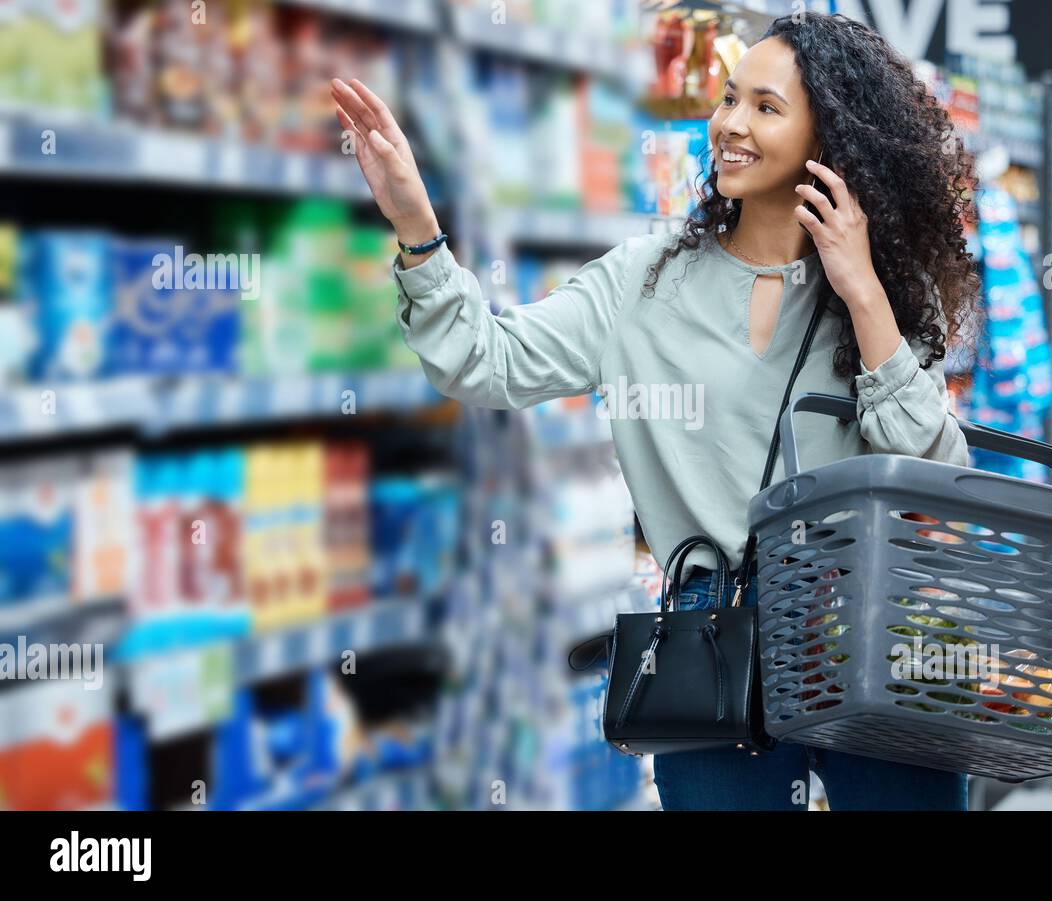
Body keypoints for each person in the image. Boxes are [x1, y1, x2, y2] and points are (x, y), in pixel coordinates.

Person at [332, 11, 981, 811]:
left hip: (872, 627)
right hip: (710, 644)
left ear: (831, 141)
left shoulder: (880, 297)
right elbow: (485, 360)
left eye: (766, 108)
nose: (732, 125)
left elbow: (937, 476)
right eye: (728, 99)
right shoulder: (644, 284)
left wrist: (864, 292)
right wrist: (417, 229)